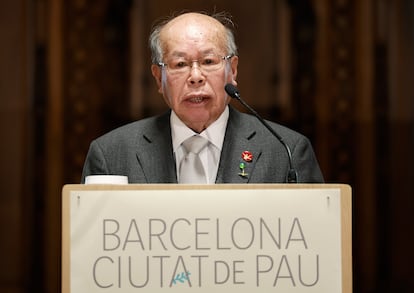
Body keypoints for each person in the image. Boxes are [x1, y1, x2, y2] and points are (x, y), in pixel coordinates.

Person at [81, 11, 324, 184]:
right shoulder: (111, 153)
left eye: (209, 61)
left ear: (233, 71)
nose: (195, 76)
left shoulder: (286, 151)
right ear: (158, 78)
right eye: (180, 64)